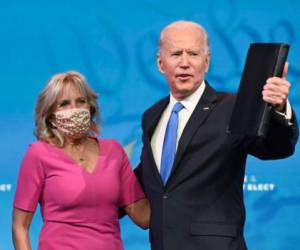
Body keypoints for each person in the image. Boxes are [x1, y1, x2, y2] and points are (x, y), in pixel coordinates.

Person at [135, 20, 299, 250]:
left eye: (193, 53)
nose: (184, 63)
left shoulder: (233, 107)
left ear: (207, 61)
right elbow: (145, 181)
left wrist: (279, 109)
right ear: (161, 63)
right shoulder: (151, 116)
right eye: (175, 54)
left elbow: (275, 147)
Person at [12, 71, 150, 250]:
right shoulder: (39, 154)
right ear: (51, 115)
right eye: (64, 104)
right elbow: (20, 226)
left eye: (80, 101)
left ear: (91, 107)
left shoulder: (114, 151)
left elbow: (143, 217)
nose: (74, 109)